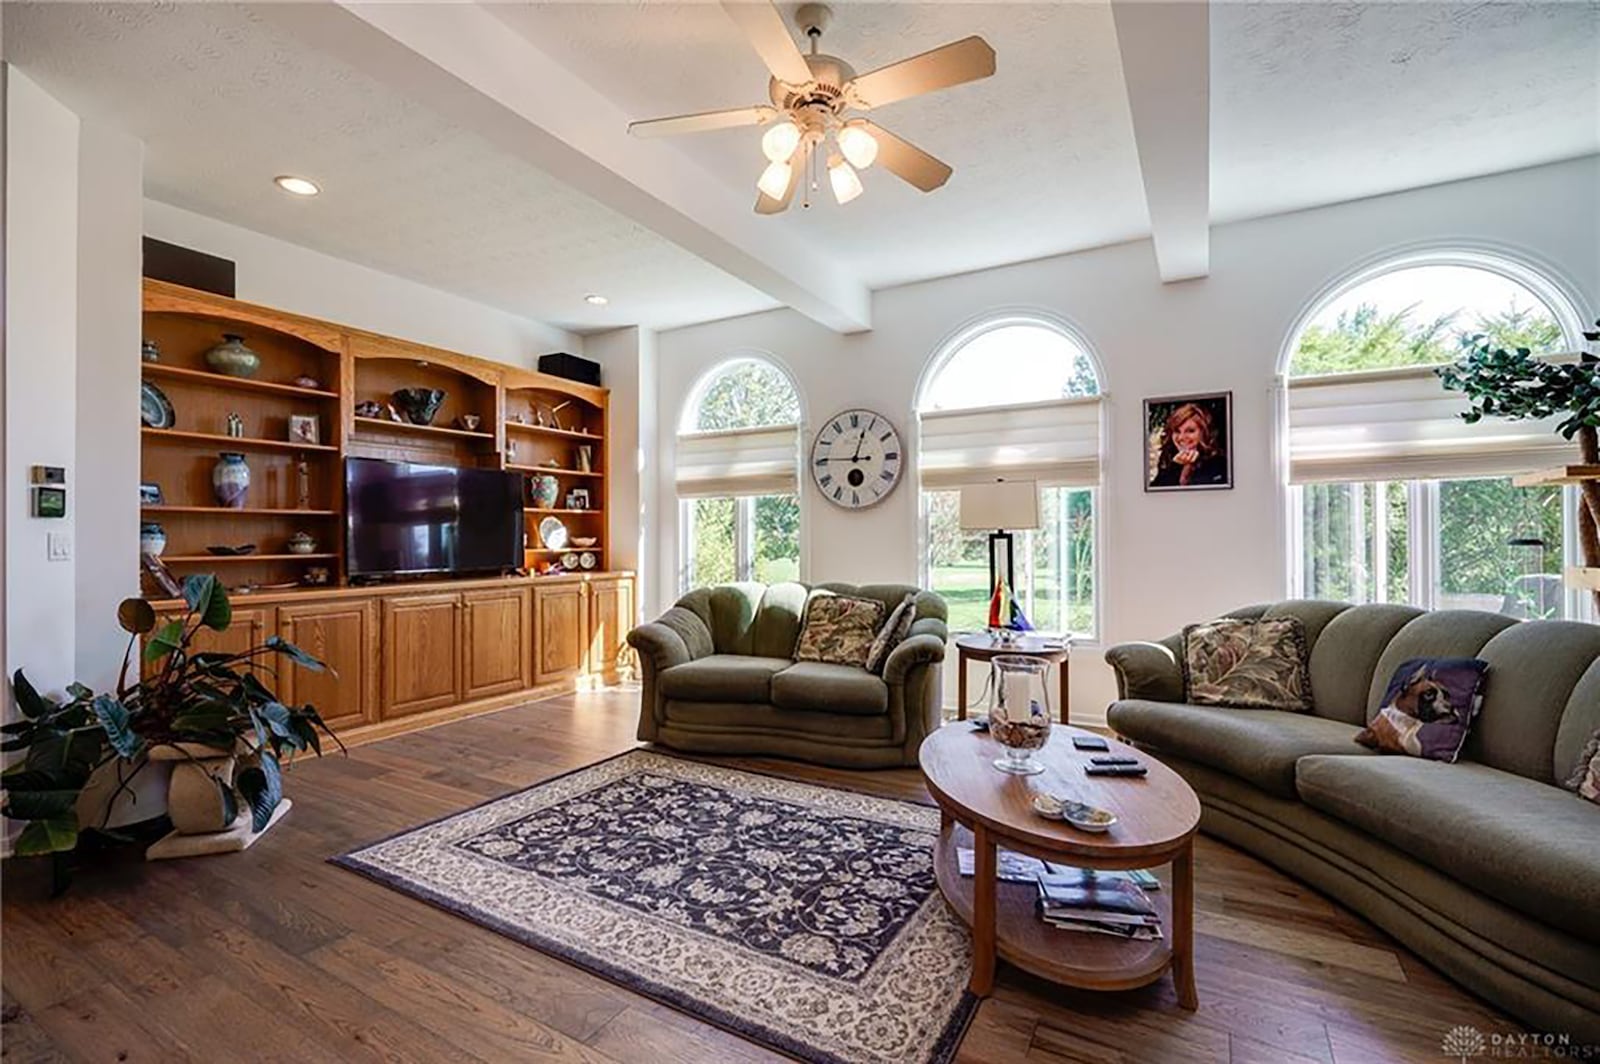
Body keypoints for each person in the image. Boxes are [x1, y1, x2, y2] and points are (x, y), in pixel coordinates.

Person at [1150, 402, 1228, 488]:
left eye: (1190, 431)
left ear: (1204, 432)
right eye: (1177, 431)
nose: (1181, 437)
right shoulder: (1168, 458)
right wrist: (1175, 467)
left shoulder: (1218, 462)